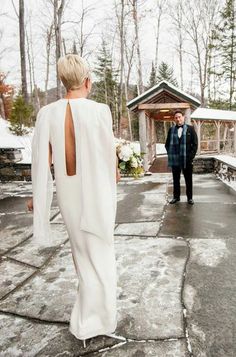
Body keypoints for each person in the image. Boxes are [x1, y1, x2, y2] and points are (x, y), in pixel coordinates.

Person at [27, 54, 120, 346]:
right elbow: (111, 169)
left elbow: (43, 159)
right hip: (96, 195)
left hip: (69, 196)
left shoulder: (47, 114)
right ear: (88, 81)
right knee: (102, 254)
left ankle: (84, 320)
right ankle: (99, 320)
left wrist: (38, 197)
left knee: (81, 256)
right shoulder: (100, 111)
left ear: (64, 81)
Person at [165, 109, 198, 205]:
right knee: (176, 179)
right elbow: (167, 144)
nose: (178, 119)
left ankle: (190, 198)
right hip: (175, 159)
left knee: (188, 179)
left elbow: (195, 144)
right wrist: (171, 153)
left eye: (179, 117)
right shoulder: (171, 130)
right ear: (174, 119)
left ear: (183, 117)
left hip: (186, 159)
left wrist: (190, 157)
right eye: (176, 118)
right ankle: (176, 197)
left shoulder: (190, 129)